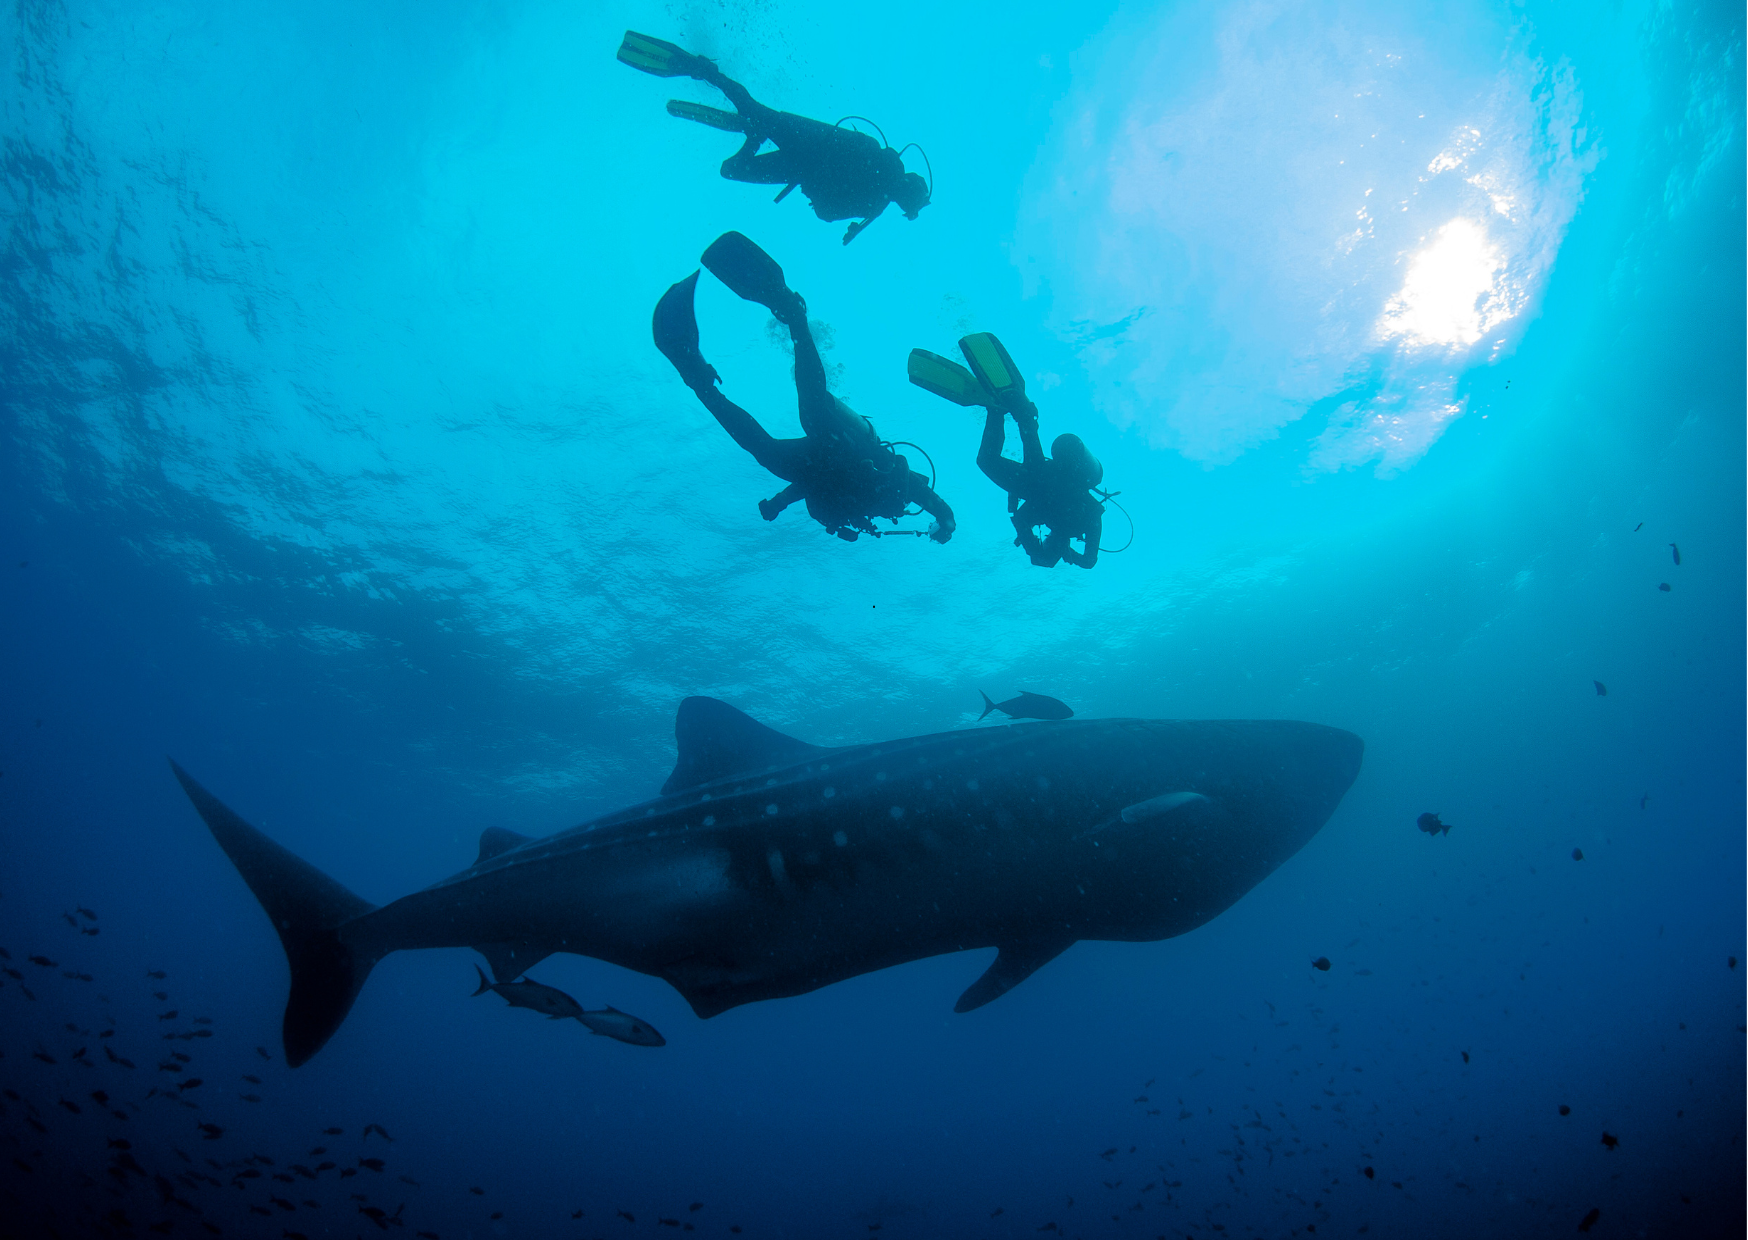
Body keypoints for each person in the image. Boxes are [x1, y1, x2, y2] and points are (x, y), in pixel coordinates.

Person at [653, 232, 955, 544]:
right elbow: (937, 504)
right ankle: (792, 312)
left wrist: (779, 503)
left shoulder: (862, 506)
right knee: (813, 408)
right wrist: (946, 521)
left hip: (815, 464)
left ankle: (701, 384)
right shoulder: (900, 486)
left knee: (765, 452)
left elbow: (812, 484)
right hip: (845, 446)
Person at [619, 31, 931, 244]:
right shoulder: (874, 205)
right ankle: (751, 134)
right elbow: (826, 212)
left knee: (754, 110)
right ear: (905, 200)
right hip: (799, 166)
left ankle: (707, 73)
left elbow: (838, 135)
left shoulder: (877, 161)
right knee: (732, 169)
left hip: (807, 139)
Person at [977, 402, 1104, 569]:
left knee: (1026, 452)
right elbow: (1088, 562)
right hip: (1040, 482)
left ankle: (1013, 413)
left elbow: (1089, 561)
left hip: (1044, 477)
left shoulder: (1081, 519)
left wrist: (1066, 553)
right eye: (1045, 541)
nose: (1044, 538)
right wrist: (1030, 544)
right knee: (988, 461)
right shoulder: (1078, 519)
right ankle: (999, 410)